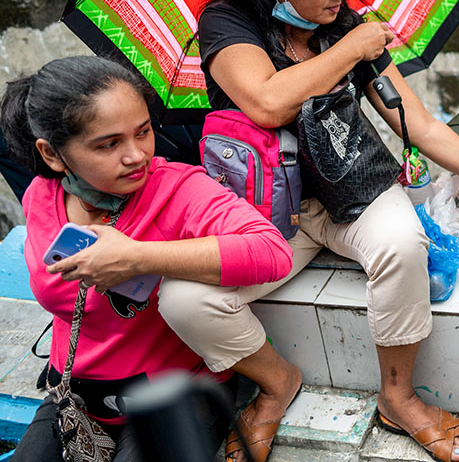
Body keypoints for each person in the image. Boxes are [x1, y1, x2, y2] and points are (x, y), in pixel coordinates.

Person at [183, 0, 459, 462]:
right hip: (270, 213)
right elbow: (267, 103)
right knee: (185, 299)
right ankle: (277, 384)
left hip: (354, 191)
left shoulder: (344, 23)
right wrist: (352, 47)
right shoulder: (228, 22)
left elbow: (417, 121)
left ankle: (398, 398)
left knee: (402, 243)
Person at [0, 56, 294, 461]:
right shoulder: (41, 195)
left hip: (175, 394)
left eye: (143, 132)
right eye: (109, 144)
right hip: (75, 397)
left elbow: (270, 251)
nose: (136, 155)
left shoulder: (177, 189)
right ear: (52, 155)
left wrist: (139, 257)